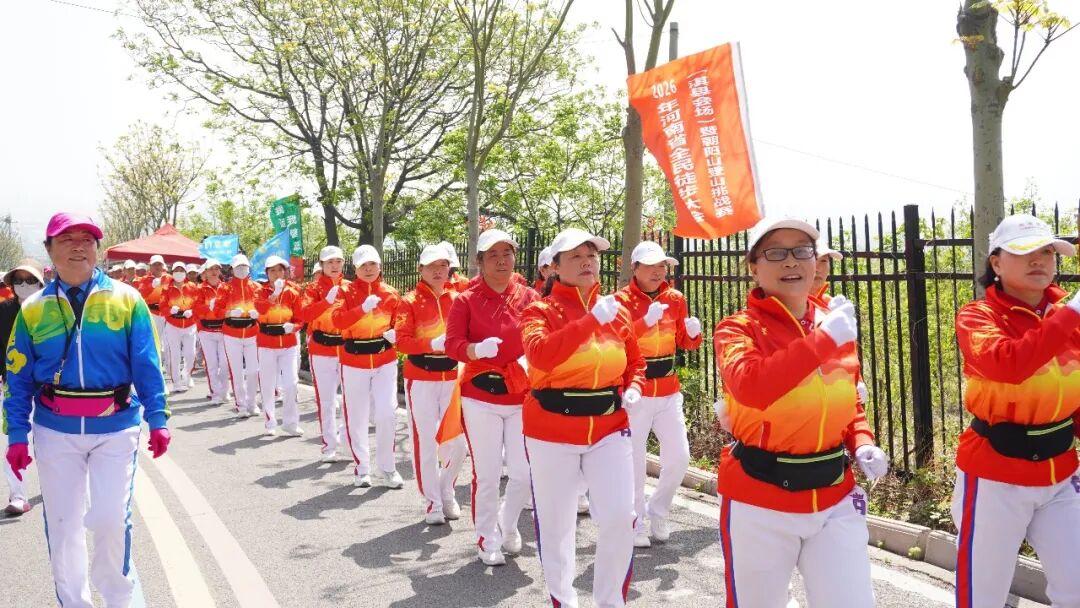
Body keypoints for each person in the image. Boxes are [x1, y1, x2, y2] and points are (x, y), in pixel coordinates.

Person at [712, 217, 885, 608]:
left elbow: (849, 402)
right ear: (753, 267)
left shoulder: (834, 323)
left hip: (834, 494)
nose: (791, 261)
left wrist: (861, 441)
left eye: (801, 251)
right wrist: (823, 341)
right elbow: (752, 387)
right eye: (775, 253)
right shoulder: (737, 329)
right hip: (760, 498)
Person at [3, 213, 170, 608]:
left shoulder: (127, 300)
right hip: (55, 430)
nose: (78, 246)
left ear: (97, 249)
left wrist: (158, 417)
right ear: (49, 249)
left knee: (111, 520)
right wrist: (16, 434)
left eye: (87, 239)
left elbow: (147, 362)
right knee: (63, 527)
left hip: (115, 427)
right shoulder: (33, 310)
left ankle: (118, 599)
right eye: (67, 239)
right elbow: (18, 376)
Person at [953, 215, 1080, 608]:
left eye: (1047, 251)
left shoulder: (1066, 314)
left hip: (1060, 472)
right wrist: (1071, 316)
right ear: (996, 263)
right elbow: (1008, 365)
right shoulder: (977, 316)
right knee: (983, 595)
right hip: (995, 476)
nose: (1039, 259)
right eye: (1024, 251)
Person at [519, 227, 644, 607]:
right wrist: (590, 321)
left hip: (609, 427)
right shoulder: (539, 311)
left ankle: (610, 601)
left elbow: (635, 362)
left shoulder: (617, 311)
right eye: (575, 256)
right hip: (552, 429)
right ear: (555, 267)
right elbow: (541, 355)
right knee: (557, 523)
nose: (587, 261)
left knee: (621, 517)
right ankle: (563, 599)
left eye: (592, 255)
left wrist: (635, 386)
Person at [445, 229, 539, 566]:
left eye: (507, 253)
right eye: (493, 255)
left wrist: (532, 357)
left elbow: (543, 337)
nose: (501, 261)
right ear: (480, 262)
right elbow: (452, 345)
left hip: (519, 396)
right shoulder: (466, 300)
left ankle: (507, 524)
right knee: (486, 474)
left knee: (523, 473)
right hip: (480, 397)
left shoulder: (530, 297)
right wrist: (475, 350)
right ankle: (486, 537)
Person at [614, 240, 702, 548]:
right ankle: (635, 521)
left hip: (668, 389)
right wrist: (643, 323)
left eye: (662, 265)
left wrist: (694, 334)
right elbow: (614, 341)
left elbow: (684, 342)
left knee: (679, 457)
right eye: (651, 266)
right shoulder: (620, 301)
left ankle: (659, 510)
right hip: (635, 391)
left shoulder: (675, 298)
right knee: (634, 462)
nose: (658, 271)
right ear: (635, 268)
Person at [394, 244, 468, 525]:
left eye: (443, 266)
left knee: (458, 443)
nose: (438, 271)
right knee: (426, 441)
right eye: (431, 266)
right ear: (420, 269)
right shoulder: (409, 301)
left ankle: (446, 489)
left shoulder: (458, 299)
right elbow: (402, 342)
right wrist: (430, 344)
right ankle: (432, 502)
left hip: (452, 378)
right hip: (421, 377)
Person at [331, 245, 403, 487]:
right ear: (356, 268)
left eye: (373, 264)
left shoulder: (391, 294)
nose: (369, 269)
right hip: (354, 361)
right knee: (357, 416)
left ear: (380, 266)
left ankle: (388, 468)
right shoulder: (345, 292)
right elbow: (338, 321)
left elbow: (401, 324)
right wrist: (361, 309)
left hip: (384, 360)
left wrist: (396, 334)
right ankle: (362, 468)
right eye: (364, 265)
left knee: (387, 413)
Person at [297, 246, 350, 462]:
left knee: (351, 400)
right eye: (329, 262)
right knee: (326, 400)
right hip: (322, 349)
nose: (334, 266)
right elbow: (304, 314)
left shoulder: (351, 287)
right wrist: (325, 302)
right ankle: (329, 445)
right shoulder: (312, 289)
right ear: (322, 265)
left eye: (338, 261)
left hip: (348, 350)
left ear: (343, 263)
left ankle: (347, 441)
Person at [1, 258, 45, 516]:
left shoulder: (54, 310)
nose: (24, 285)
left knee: (47, 438)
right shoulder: (4, 310)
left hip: (49, 386)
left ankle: (54, 485)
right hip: (13, 385)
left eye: (30, 280)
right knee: (15, 436)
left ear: (40, 283)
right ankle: (18, 494)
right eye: (19, 280)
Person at [255, 255, 304, 437]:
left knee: (291, 383)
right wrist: (274, 295)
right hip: (267, 343)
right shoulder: (260, 291)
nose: (276, 274)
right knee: (268, 384)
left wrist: (294, 327)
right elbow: (259, 309)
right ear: (267, 273)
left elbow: (300, 318)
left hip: (288, 344)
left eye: (280, 270)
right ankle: (270, 421)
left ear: (285, 272)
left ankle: (290, 423)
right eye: (272, 270)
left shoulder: (293, 292)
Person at [221, 253, 262, 418]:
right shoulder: (225, 288)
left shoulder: (256, 287)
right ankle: (241, 404)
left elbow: (265, 308)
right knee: (237, 371)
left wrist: (259, 314)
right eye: (238, 267)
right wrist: (229, 313)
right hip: (232, 333)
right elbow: (216, 310)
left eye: (244, 266)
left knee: (253, 370)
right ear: (232, 269)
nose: (242, 269)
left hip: (252, 333)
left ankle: (252, 403)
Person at [194, 260, 231, 405]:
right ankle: (215, 393)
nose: (214, 272)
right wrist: (208, 307)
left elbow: (230, 306)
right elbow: (196, 310)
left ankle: (224, 390)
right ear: (205, 272)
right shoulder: (199, 289)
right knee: (212, 363)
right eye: (211, 269)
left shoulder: (226, 288)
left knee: (225, 363)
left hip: (224, 330)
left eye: (216, 269)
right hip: (206, 331)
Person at [162, 261, 199, 393]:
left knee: (191, 354)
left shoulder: (192, 287)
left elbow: (198, 303)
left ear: (185, 273)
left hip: (189, 324)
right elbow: (162, 307)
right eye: (176, 270)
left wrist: (192, 311)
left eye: (181, 270)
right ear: (172, 273)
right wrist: (170, 310)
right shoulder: (167, 289)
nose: (179, 273)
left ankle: (187, 375)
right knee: (175, 354)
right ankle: (176, 382)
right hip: (173, 325)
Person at [810, 236, 842, 306]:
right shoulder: (788, 305)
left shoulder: (831, 304)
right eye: (812, 261)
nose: (817, 269)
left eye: (823, 261)